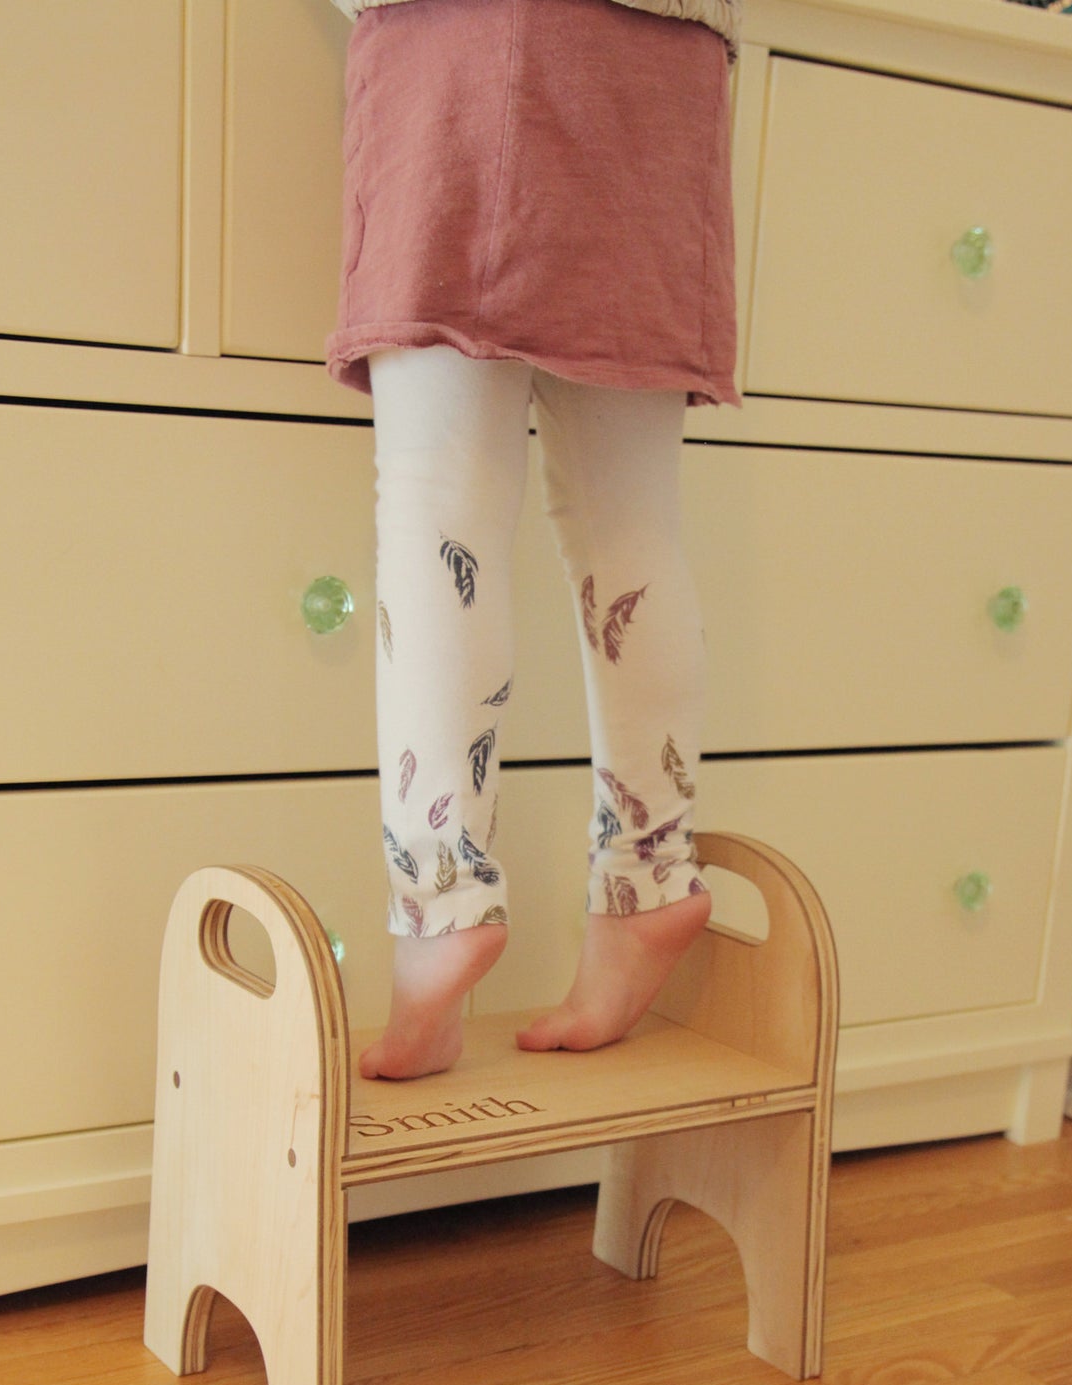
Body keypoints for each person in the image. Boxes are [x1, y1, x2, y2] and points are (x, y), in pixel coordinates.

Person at [326, 0, 742, 1078]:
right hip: (660, 58)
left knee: (436, 500)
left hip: (455, 39)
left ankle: (441, 901)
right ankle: (648, 881)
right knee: (631, 515)